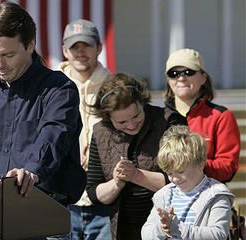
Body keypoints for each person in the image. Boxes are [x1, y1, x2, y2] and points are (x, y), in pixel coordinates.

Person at [0, 1, 86, 232]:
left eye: (8, 54)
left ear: (30, 45)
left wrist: (31, 171)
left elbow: (53, 137)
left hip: (42, 217)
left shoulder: (59, 89)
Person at [85, 73, 186, 240]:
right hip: (123, 229)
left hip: (170, 227)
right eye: (122, 122)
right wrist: (117, 182)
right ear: (108, 118)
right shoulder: (100, 131)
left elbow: (184, 179)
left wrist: (136, 175)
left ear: (142, 103)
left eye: (136, 116)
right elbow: (94, 193)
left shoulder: (169, 121)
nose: (131, 125)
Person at [59, 19, 112, 240]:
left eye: (87, 45)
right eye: (74, 46)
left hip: (105, 199)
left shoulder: (115, 86)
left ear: (99, 47)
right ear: (64, 51)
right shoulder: (52, 87)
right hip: (62, 198)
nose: (80, 52)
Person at [141, 125, 234, 240]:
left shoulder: (216, 194)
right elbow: (146, 233)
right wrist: (162, 227)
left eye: (180, 172)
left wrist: (176, 227)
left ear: (200, 164)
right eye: (169, 174)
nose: (175, 179)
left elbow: (217, 234)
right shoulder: (164, 195)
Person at [164, 48, 240, 183]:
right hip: (166, 197)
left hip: (208, 195)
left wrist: (190, 166)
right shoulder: (157, 117)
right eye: (173, 73)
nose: (181, 78)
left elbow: (228, 168)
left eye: (188, 72)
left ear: (203, 77)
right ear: (169, 81)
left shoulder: (221, 116)